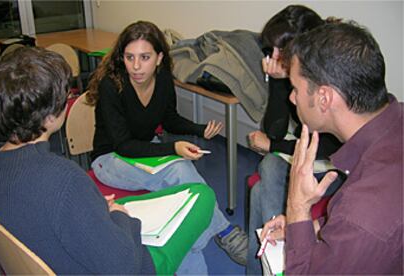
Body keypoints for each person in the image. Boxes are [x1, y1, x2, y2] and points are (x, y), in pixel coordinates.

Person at [0, 46, 217, 275]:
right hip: (129, 267)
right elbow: (124, 266)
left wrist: (94, 210)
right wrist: (119, 216)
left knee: (187, 240)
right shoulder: (64, 178)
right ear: (50, 117)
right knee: (202, 196)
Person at [86, 21, 248, 267]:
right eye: (130, 57)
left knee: (181, 179)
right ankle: (224, 233)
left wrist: (199, 129)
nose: (137, 66)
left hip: (144, 151)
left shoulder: (162, 80)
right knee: (180, 172)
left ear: (159, 58)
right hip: (110, 159)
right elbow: (123, 145)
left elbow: (169, 118)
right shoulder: (112, 85)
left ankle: (195, 237)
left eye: (145, 57)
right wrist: (173, 148)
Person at [261, 21, 403, 274]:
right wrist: (305, 227)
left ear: (324, 98)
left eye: (295, 89)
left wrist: (297, 206)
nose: (292, 98)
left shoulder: (362, 212)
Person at [246, 5, 342, 273]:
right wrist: (279, 80)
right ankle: (268, 263)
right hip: (300, 156)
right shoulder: (293, 74)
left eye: (282, 52)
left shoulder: (329, 76)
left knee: (267, 172)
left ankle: (275, 262)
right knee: (262, 182)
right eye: (271, 51)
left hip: (330, 167)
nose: (275, 58)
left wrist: (273, 146)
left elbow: (325, 147)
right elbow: (274, 129)